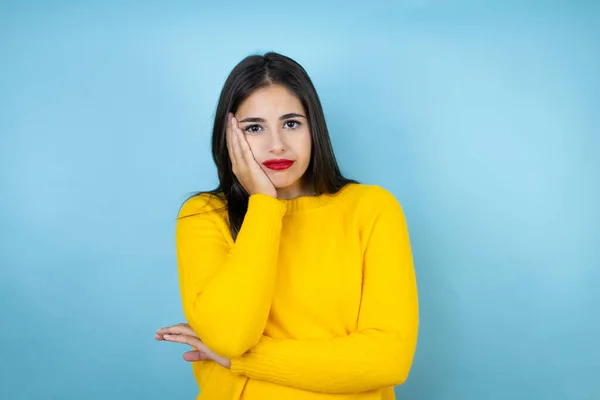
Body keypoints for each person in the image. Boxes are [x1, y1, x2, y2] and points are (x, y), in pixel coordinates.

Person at [155, 51, 419, 400]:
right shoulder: (204, 215)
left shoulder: (371, 209)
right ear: (229, 137)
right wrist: (263, 205)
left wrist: (241, 362)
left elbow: (388, 361)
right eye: (254, 128)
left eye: (291, 123)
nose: (276, 144)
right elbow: (230, 336)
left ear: (314, 129)